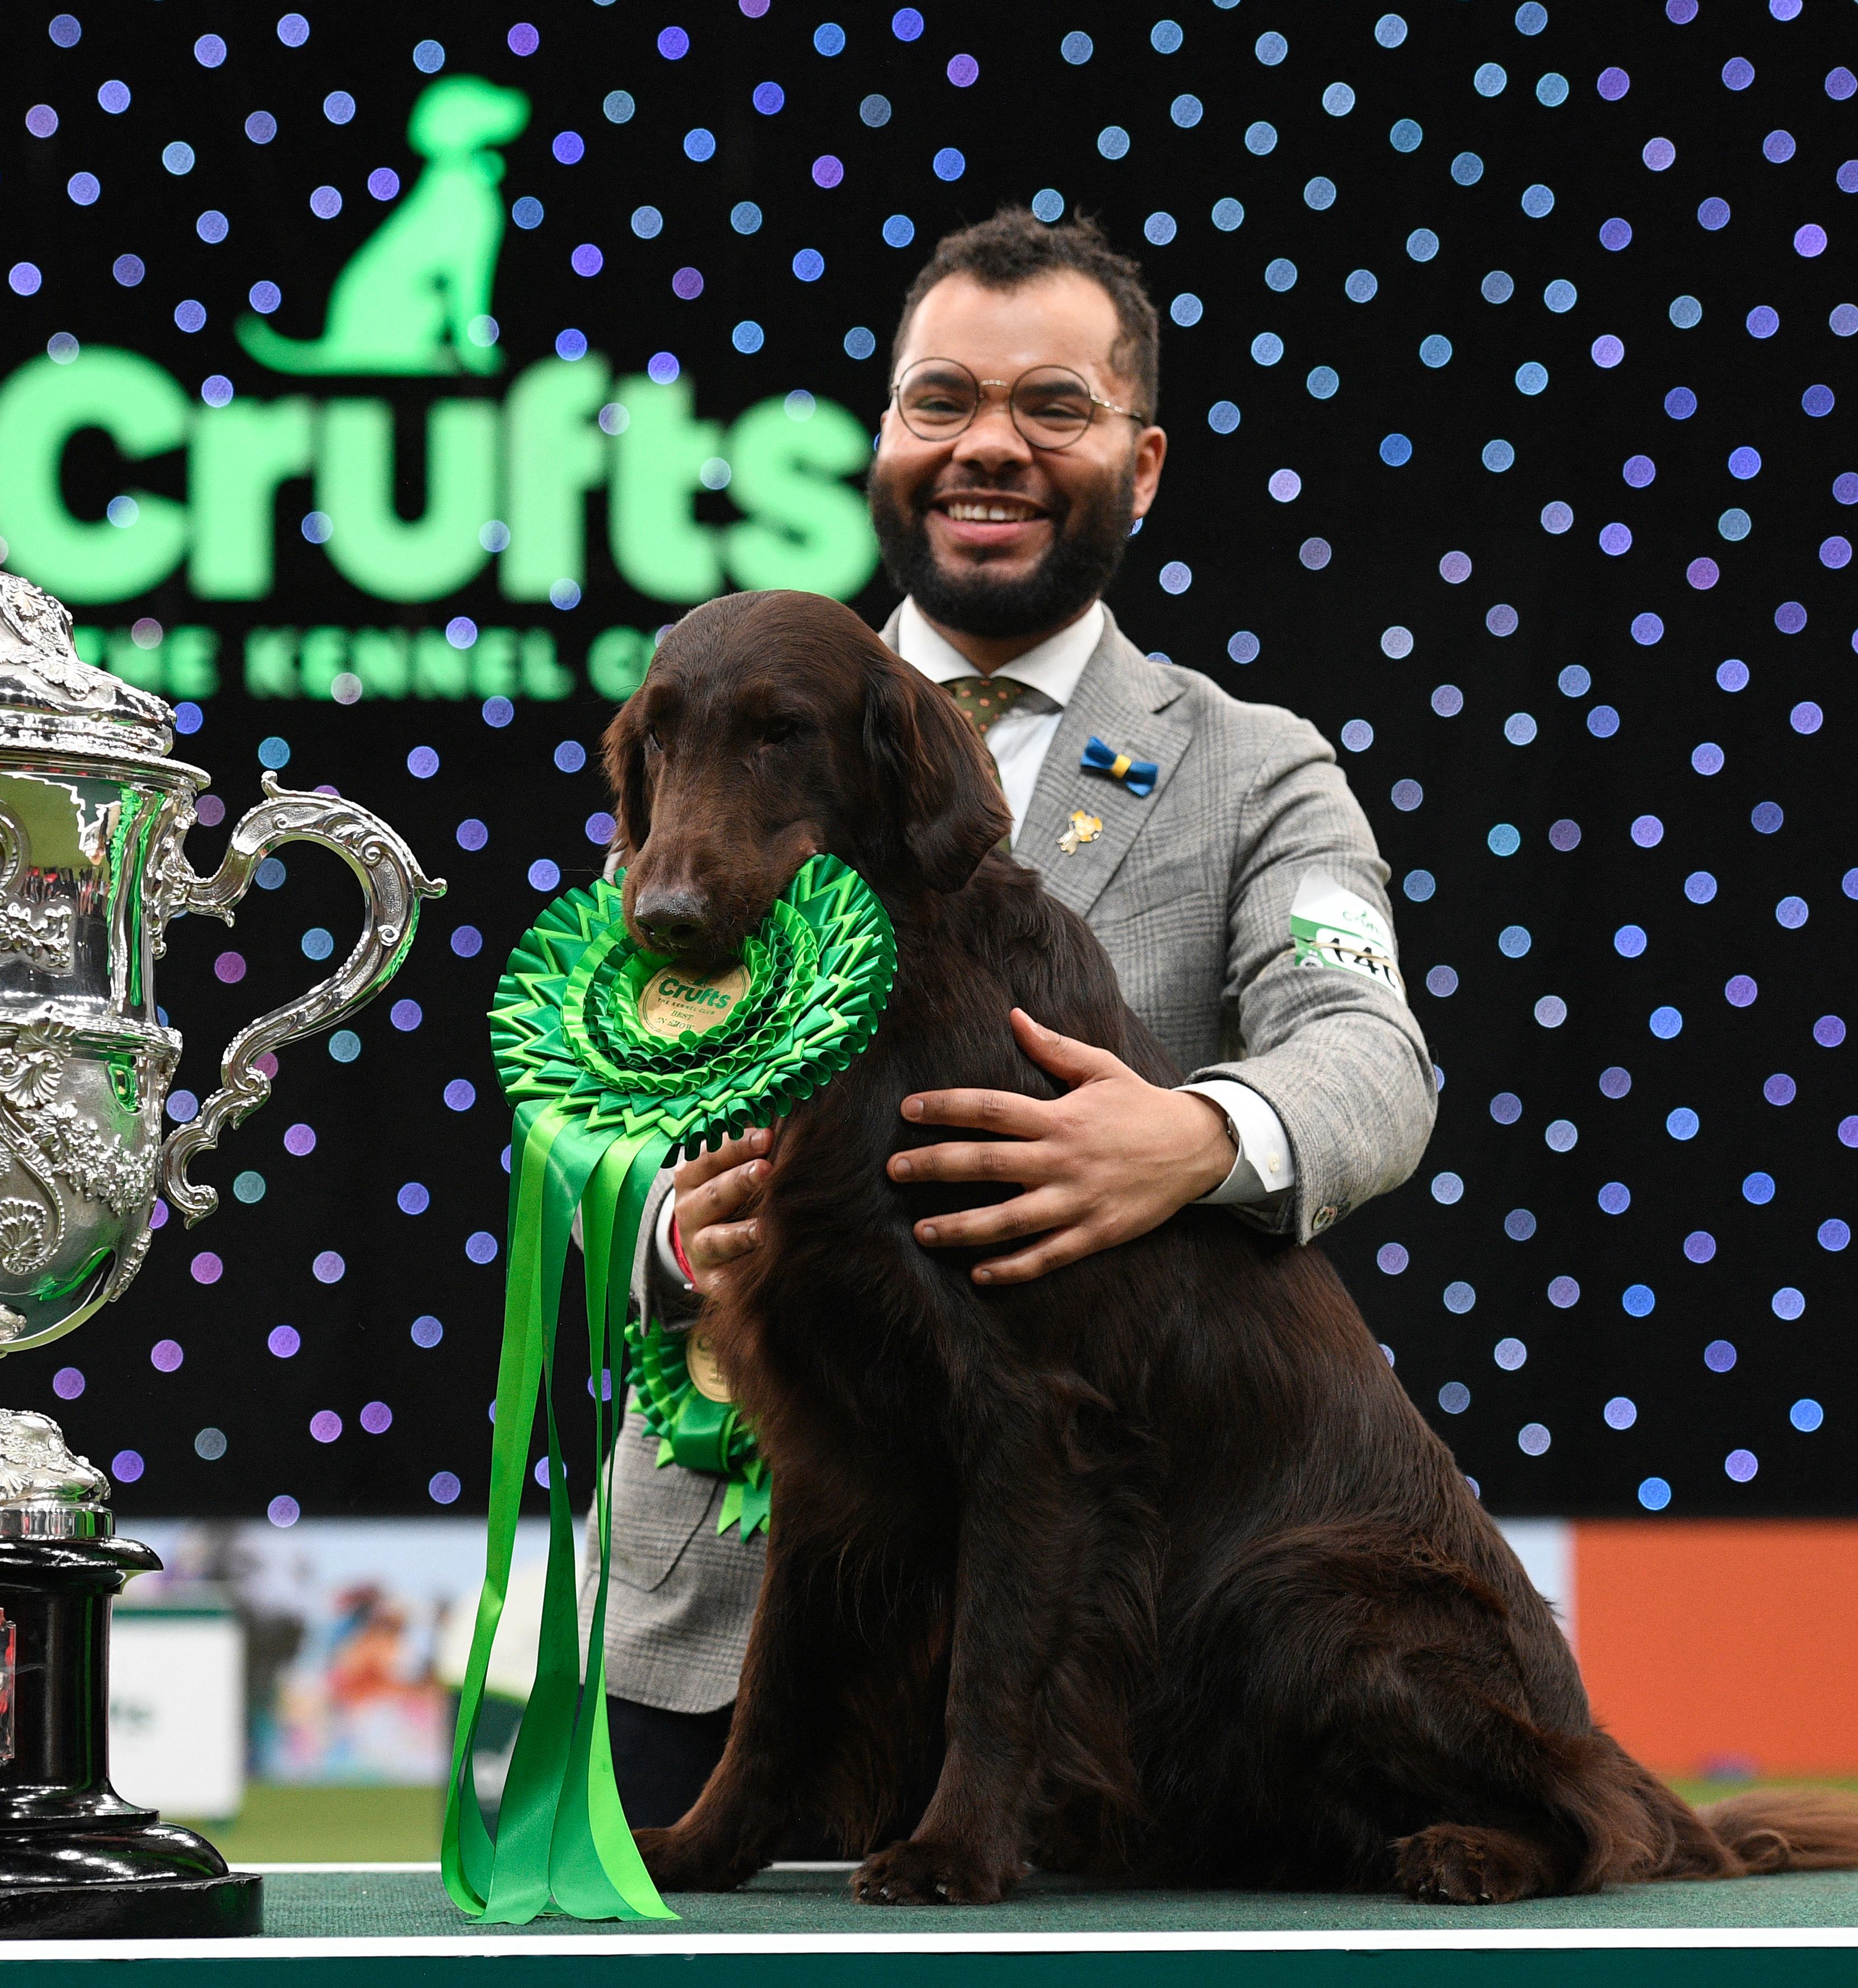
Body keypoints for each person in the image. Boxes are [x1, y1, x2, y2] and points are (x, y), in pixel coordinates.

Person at [586, 207, 1439, 1840]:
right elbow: (591, 1108)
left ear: (1142, 461)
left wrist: (1188, 1138)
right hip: (714, 1648)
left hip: (1091, 1646)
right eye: (941, 402)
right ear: (884, 443)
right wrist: (666, 1223)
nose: (989, 447)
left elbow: (1365, 1058)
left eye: (1052, 407)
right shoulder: (721, 723)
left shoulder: (1258, 765)